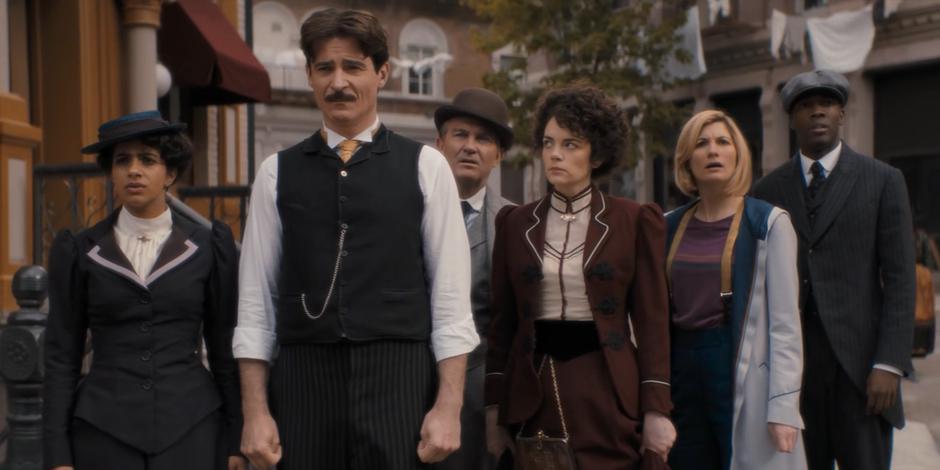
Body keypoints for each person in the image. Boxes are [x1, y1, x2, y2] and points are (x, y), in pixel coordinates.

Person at [234, 8, 479, 470]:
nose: (338, 82)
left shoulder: (427, 167)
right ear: (309, 74)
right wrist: (255, 411)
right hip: (304, 378)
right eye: (325, 68)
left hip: (399, 375)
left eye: (353, 67)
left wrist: (448, 407)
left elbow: (450, 302)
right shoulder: (274, 174)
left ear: (382, 73)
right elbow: (255, 304)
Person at [484, 85, 675, 469]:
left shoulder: (634, 220)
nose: (555, 154)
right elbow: (501, 324)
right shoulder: (514, 222)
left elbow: (653, 323)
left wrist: (657, 409)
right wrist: (493, 407)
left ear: (598, 154)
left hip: (607, 386)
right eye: (549, 142)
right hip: (533, 389)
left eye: (571, 144)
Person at [43, 111, 244, 470]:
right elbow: (62, 355)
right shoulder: (80, 249)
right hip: (102, 431)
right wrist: (58, 455)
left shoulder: (208, 245)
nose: (134, 170)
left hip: (192, 427)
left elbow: (224, 345)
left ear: (169, 173)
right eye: (123, 161)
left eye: (147, 160)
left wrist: (235, 440)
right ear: (111, 172)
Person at [752, 70, 916, 470]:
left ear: (841, 113)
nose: (817, 113)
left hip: (863, 372)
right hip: (795, 374)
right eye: (805, 107)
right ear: (792, 120)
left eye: (825, 104)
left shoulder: (882, 181)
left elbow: (900, 280)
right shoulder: (766, 191)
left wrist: (889, 363)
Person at [666, 110, 805, 470]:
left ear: (738, 155)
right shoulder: (667, 226)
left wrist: (784, 406)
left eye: (722, 142)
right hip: (680, 368)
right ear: (686, 159)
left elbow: (786, 325)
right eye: (701, 143)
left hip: (736, 362)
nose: (713, 151)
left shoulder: (769, 223)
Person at [433, 88, 515, 470]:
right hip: (408, 386)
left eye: (483, 139)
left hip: (481, 400)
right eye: (460, 135)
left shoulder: (515, 224)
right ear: (439, 143)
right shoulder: (406, 211)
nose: (470, 147)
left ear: (498, 156)